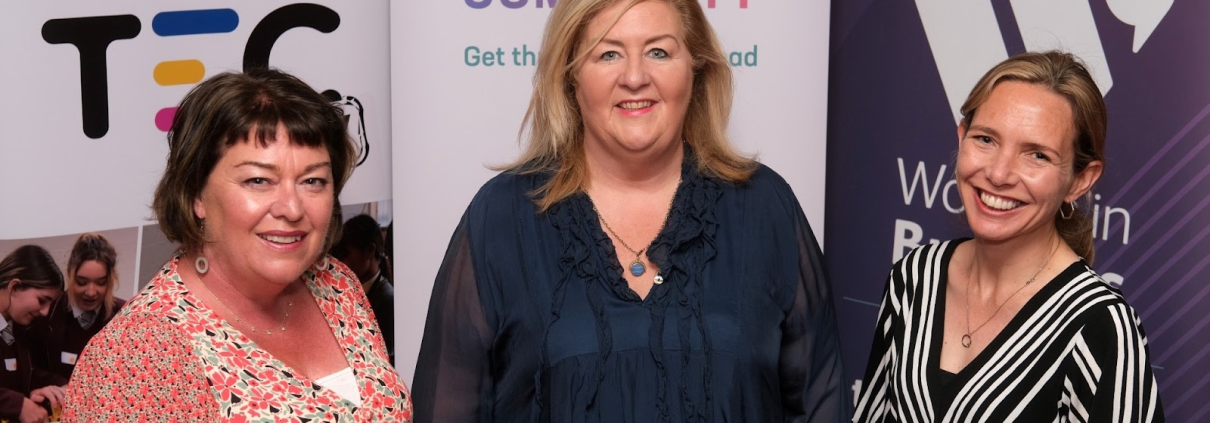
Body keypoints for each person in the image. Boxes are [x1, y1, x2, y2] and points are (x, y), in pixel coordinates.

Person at [412, 0, 849, 421]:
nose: (635, 77)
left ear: (695, 68)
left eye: (658, 51)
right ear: (571, 77)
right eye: (608, 54)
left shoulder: (764, 207)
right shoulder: (502, 218)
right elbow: (447, 410)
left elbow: (820, 402)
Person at [62, 68, 412, 421]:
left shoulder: (337, 283)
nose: (292, 209)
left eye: (313, 180)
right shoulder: (138, 356)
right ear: (196, 192)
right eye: (259, 180)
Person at [852, 51, 1164, 422]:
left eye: (1037, 155)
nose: (999, 173)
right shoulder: (915, 276)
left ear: (1081, 180)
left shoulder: (1100, 326)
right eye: (986, 139)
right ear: (961, 137)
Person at [23, 233, 127, 381]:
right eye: (81, 282)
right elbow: (30, 370)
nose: (91, 292)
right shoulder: (45, 313)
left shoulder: (124, 316)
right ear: (70, 275)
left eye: (101, 282)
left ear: (111, 280)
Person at [0, 245, 68, 423]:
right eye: (42, 300)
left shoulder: (17, 330)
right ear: (14, 287)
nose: (45, 312)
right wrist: (18, 404)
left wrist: (39, 393)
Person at [331, 214, 395, 365]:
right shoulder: (350, 292)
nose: (341, 262)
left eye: (345, 254)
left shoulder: (387, 301)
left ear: (370, 251)